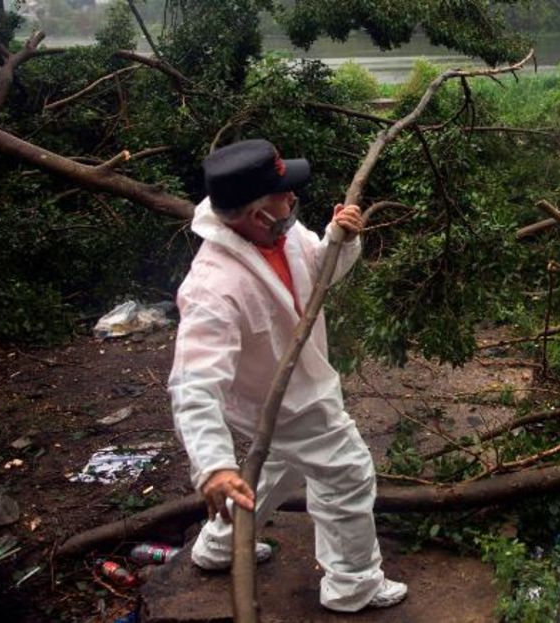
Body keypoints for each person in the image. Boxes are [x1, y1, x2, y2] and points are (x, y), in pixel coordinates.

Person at [167, 139, 407, 612]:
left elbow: (317, 278)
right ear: (258, 214)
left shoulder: (282, 234)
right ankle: (352, 584)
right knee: (347, 473)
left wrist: (343, 238)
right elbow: (193, 385)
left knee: (276, 467)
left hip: (293, 387)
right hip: (283, 400)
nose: (292, 198)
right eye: (284, 194)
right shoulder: (213, 288)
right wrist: (214, 466)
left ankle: (218, 545)